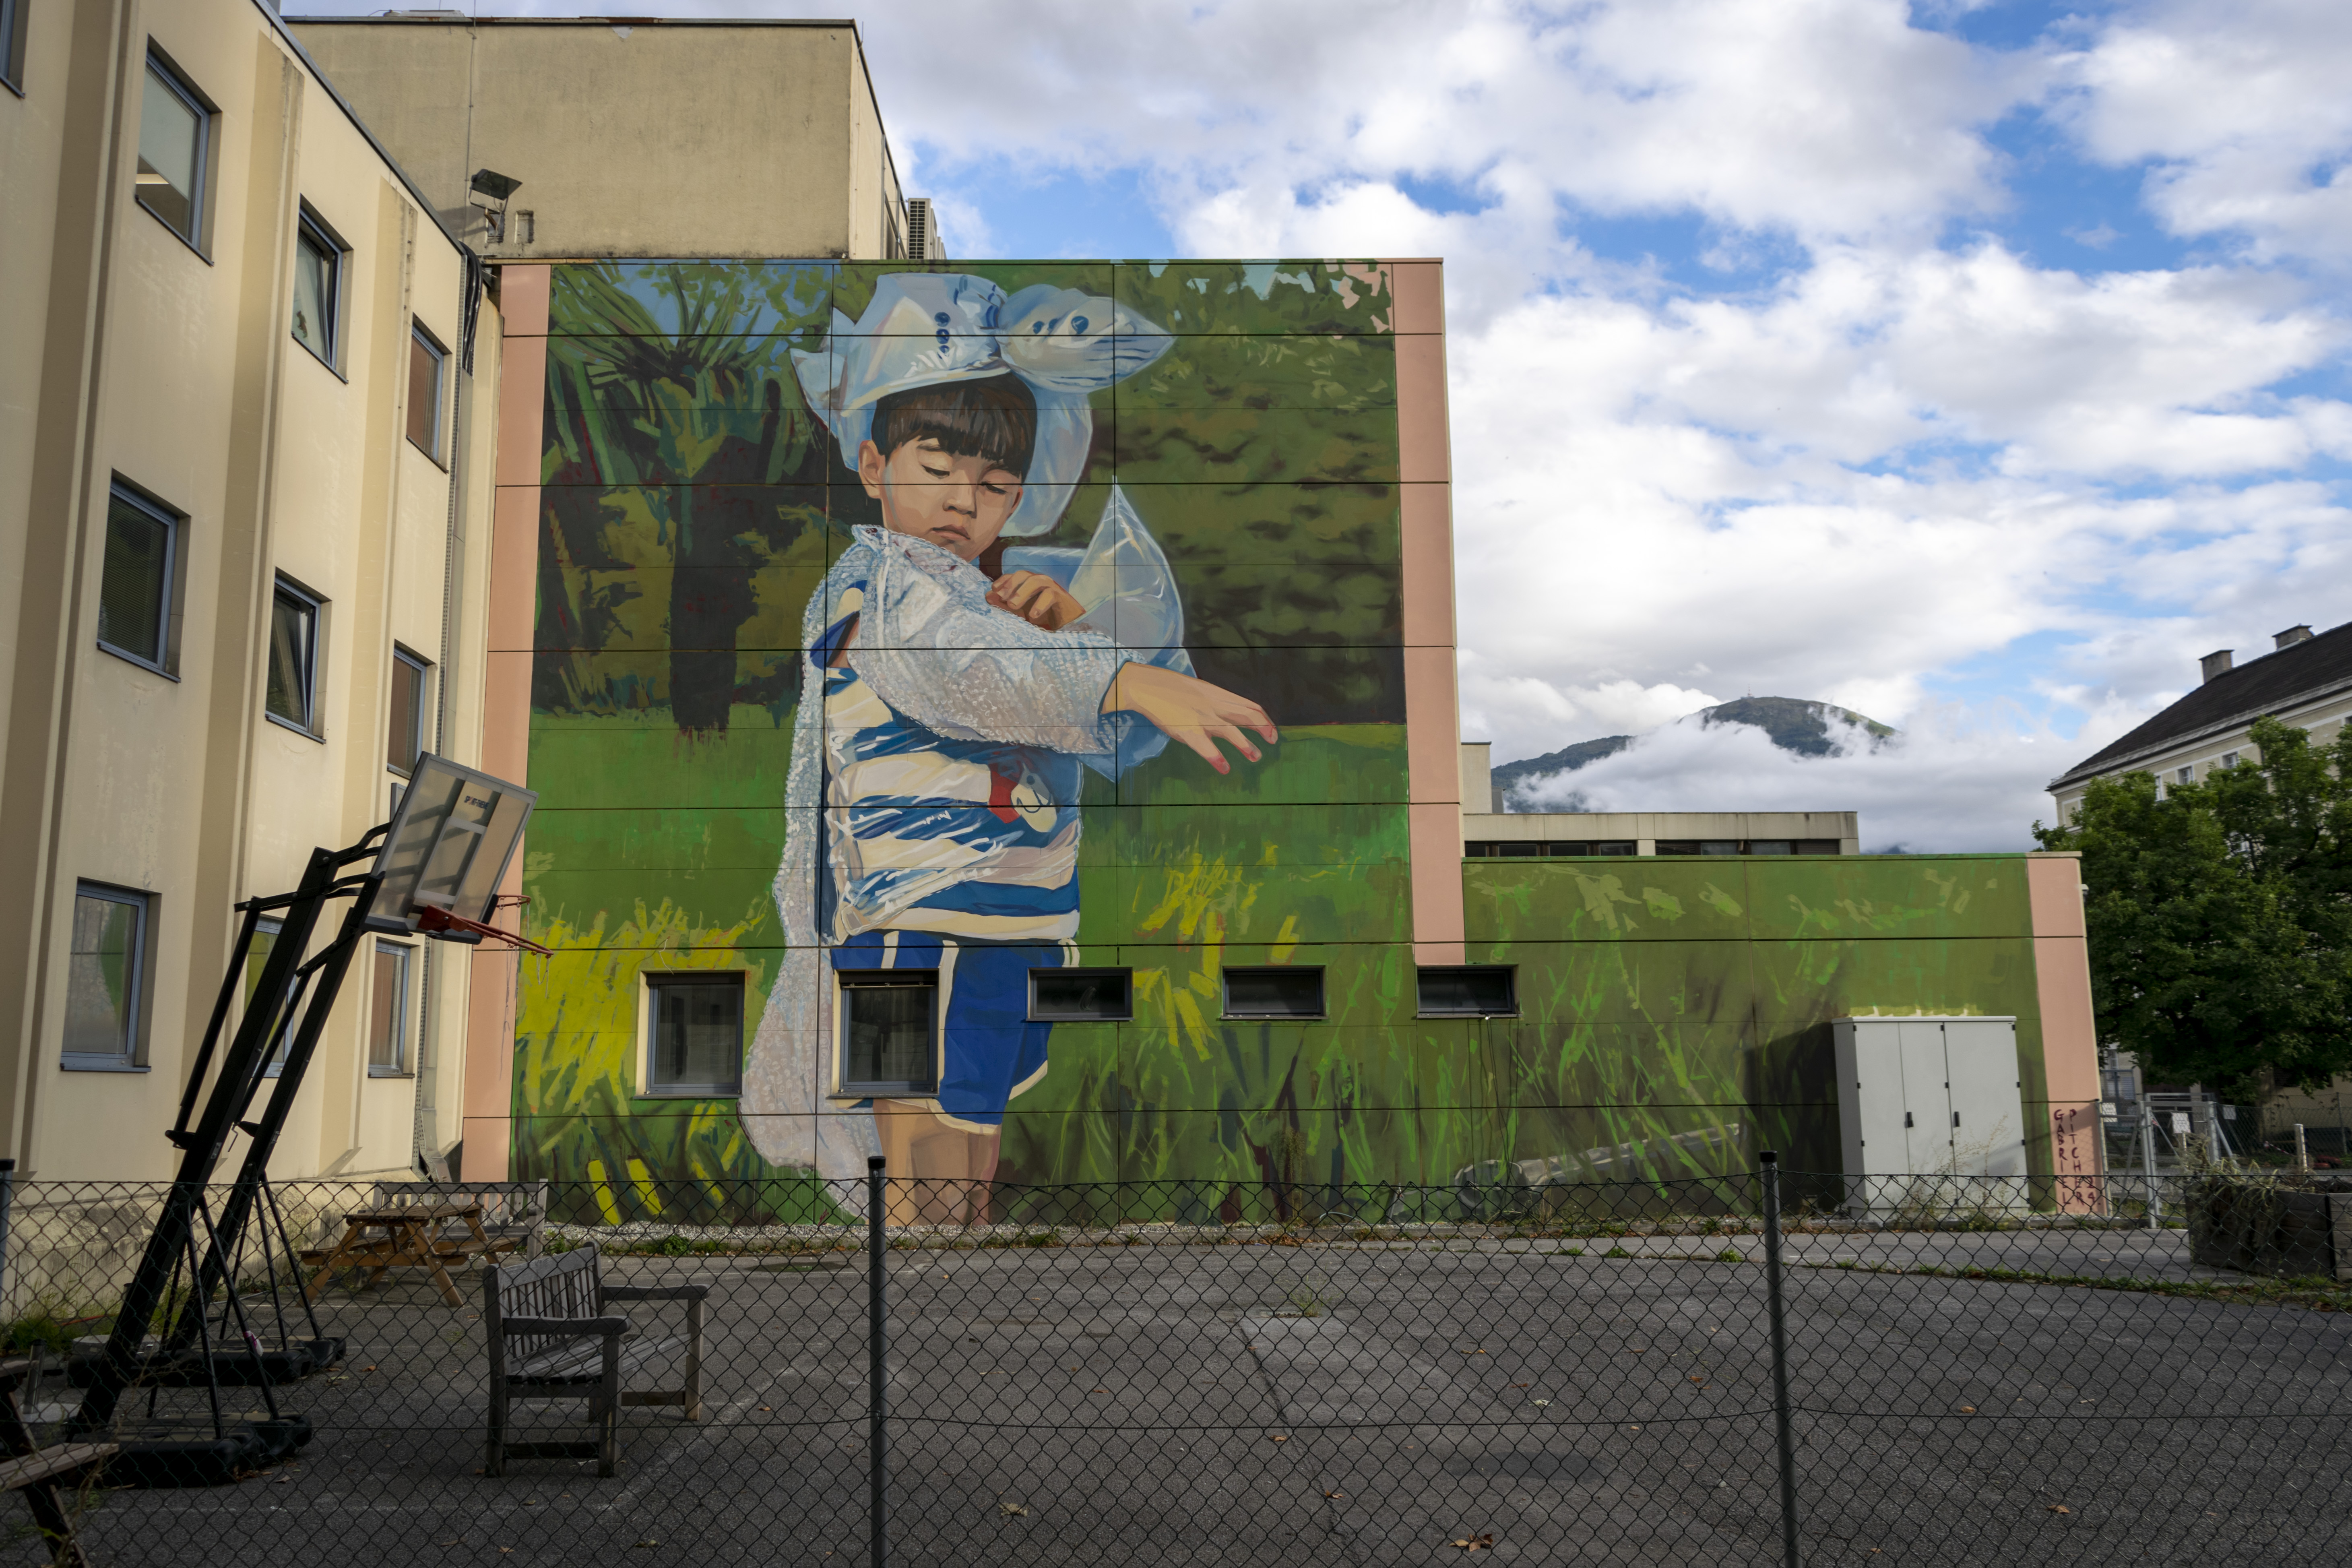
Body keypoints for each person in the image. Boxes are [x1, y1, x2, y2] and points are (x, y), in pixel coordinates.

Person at [739, 274, 1274, 1223]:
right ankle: (919, 1319)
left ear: (1018, 494)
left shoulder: (998, 597)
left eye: (991, 485)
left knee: (973, 1132)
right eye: (936, 468)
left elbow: (1113, 746)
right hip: (916, 916)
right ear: (873, 465)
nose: (963, 500)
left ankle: (945, 1304)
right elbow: (956, 668)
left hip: (1014, 920)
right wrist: (1120, 674)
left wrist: (1076, 632)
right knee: (930, 1145)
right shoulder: (879, 587)